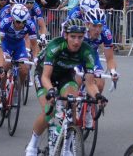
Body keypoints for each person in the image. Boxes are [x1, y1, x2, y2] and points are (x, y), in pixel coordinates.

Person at [25, 18, 107, 156]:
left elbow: (90, 82)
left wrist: (98, 96)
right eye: (73, 37)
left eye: (80, 37)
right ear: (66, 36)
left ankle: (67, 147)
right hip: (44, 74)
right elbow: (45, 77)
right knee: (48, 111)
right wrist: (51, 91)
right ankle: (32, 145)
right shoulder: (56, 46)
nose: (76, 41)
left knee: (73, 102)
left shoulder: (87, 52)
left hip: (65, 75)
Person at [0, 4, 38, 86]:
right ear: (13, 19)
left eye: (23, 22)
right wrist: (1, 55)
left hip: (19, 45)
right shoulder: (5, 22)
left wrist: (35, 58)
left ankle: (19, 86)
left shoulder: (30, 25)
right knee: (6, 64)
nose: (21, 24)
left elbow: (34, 45)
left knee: (25, 69)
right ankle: (2, 88)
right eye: (18, 21)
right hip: (6, 44)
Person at [82, 8, 118, 96]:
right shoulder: (80, 32)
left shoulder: (105, 33)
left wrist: (113, 72)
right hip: (77, 57)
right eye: (94, 26)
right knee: (76, 83)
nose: (97, 29)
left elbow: (110, 59)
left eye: (100, 26)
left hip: (93, 58)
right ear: (87, 24)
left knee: (100, 83)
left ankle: (94, 107)